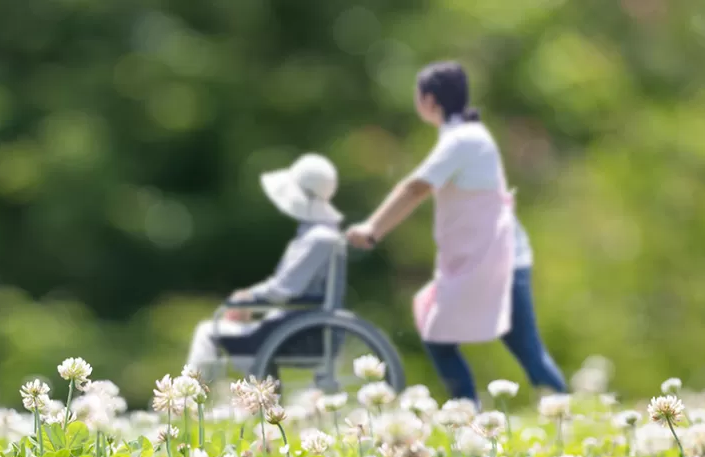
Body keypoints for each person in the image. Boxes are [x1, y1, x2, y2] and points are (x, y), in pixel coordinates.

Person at [344, 60, 567, 403]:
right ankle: (471, 417)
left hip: (498, 262)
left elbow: (414, 189)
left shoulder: (463, 141)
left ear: (430, 100)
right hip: (484, 260)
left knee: (522, 351)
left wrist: (372, 229)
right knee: (447, 336)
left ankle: (488, 415)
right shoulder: (464, 137)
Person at [185, 153, 343, 380]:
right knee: (227, 328)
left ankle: (187, 397)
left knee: (207, 331)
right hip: (304, 325)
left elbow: (285, 290)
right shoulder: (323, 235)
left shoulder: (318, 239)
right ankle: (256, 394)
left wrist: (247, 297)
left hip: (303, 331)